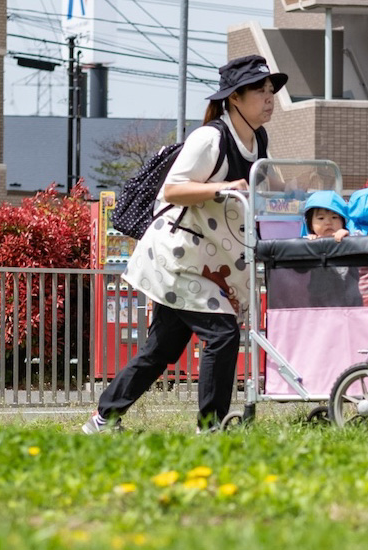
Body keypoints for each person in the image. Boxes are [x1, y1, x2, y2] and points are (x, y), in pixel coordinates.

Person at [85, 55, 287, 434]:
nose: (269, 96)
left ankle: (102, 420)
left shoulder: (258, 139)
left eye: (270, 89)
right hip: (178, 258)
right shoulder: (210, 137)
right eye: (260, 90)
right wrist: (223, 187)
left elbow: (266, 188)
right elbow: (173, 190)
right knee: (222, 333)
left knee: (159, 351)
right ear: (235, 99)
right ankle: (210, 429)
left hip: (209, 262)